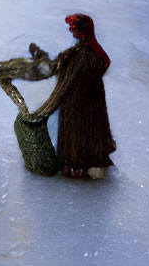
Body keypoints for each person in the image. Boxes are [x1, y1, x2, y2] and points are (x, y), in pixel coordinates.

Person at [32, 13, 116, 179]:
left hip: (82, 99)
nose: (71, 32)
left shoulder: (87, 53)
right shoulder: (82, 49)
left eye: (73, 29)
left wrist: (62, 92)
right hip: (83, 96)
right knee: (81, 129)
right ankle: (81, 164)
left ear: (82, 31)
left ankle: (80, 164)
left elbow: (74, 74)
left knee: (82, 129)